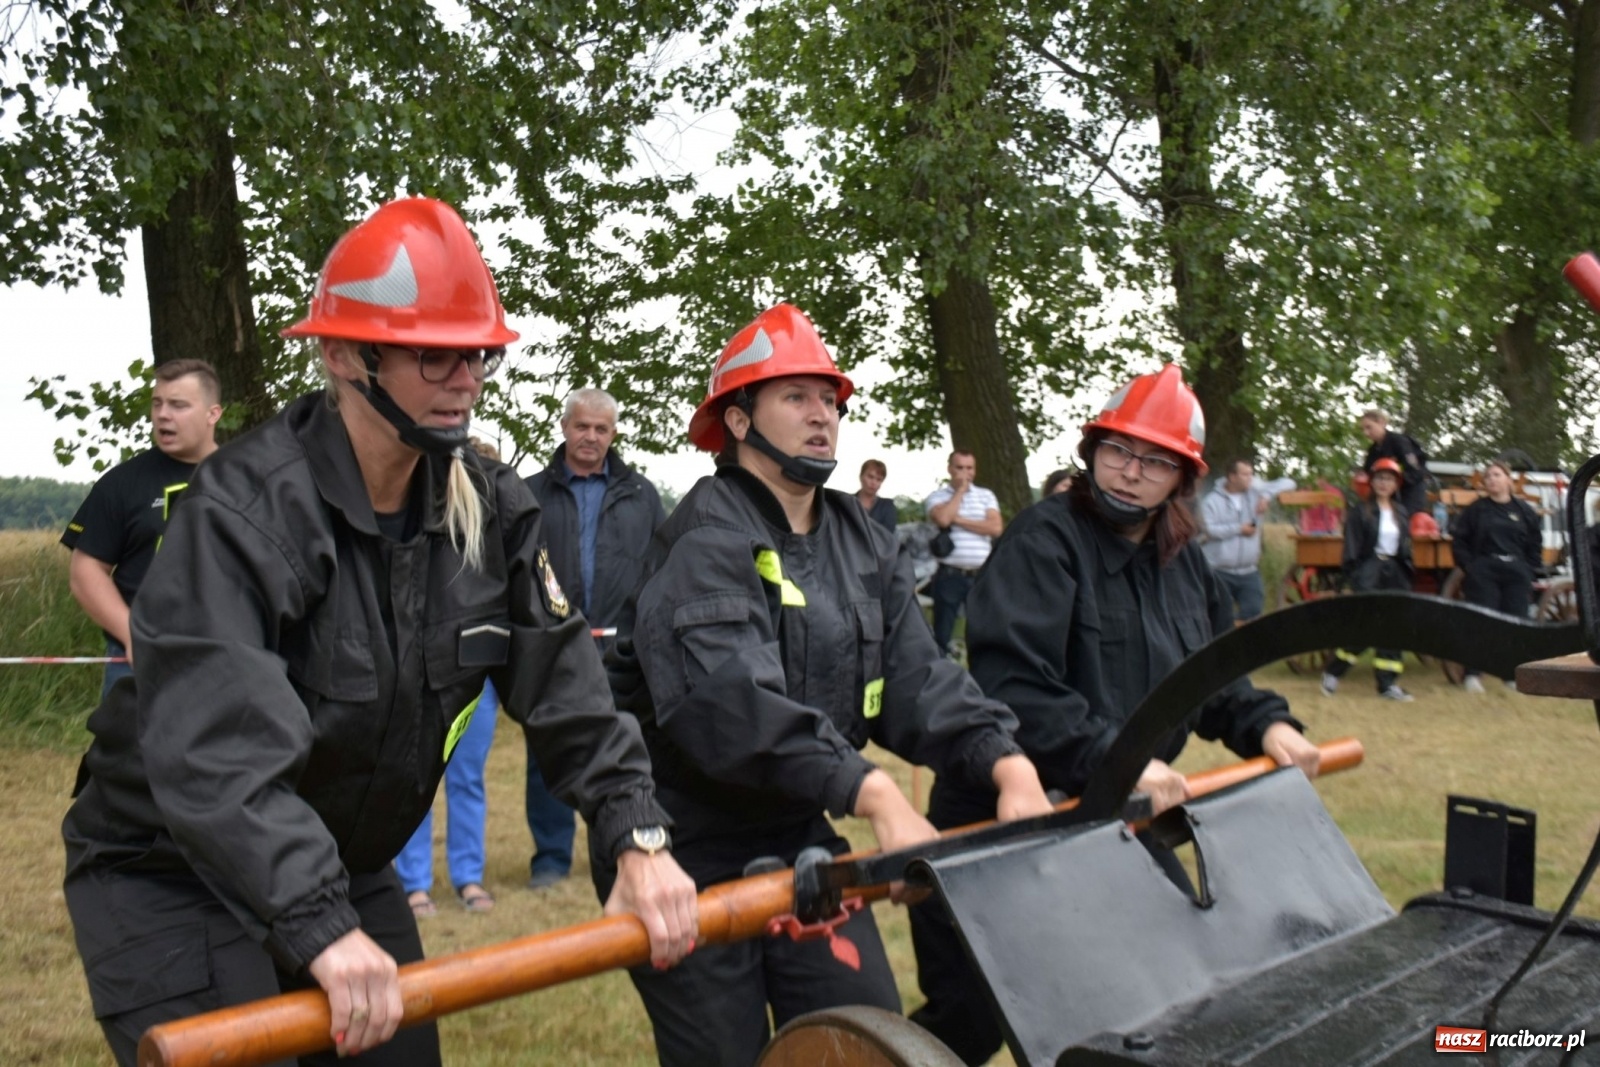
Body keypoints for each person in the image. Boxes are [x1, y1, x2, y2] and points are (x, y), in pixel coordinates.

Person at [60, 197, 697, 1067]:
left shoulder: (494, 506)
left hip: (337, 858)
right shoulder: (244, 514)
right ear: (343, 354)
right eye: (434, 355)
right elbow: (218, 750)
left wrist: (637, 834)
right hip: (173, 867)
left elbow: (565, 687)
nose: (465, 378)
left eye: (477, 354)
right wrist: (319, 923)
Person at [603, 303, 1053, 1067]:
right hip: (683, 845)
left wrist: (1006, 762)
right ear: (738, 421)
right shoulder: (706, 536)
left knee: (862, 1041)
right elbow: (733, 707)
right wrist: (876, 793)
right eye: (796, 397)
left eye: (831, 400)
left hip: (798, 829)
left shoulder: (861, 538)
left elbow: (918, 677)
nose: (823, 416)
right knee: (725, 1053)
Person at [909, 364, 1321, 1066]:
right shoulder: (1043, 542)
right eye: (1118, 451)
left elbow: (1214, 677)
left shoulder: (1186, 564)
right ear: (1092, 450)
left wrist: (1269, 723)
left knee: (1157, 995)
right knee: (970, 1021)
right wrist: (1120, 758)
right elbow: (1016, 688)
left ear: (1183, 478)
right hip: (1003, 825)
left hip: (1119, 819)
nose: (1130, 472)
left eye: (1154, 461)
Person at [523, 387, 666, 889]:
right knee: (550, 753)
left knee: (630, 748)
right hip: (553, 645)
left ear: (613, 434)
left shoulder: (642, 494)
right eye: (582, 426)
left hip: (621, 647)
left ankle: (621, 845)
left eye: (601, 429)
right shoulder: (529, 493)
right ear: (564, 428)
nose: (590, 436)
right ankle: (550, 859)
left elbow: (661, 568)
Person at [60, 359, 222, 697]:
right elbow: (86, 572)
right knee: (132, 751)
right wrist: (133, 635)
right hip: (137, 663)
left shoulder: (248, 478)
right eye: (158, 403)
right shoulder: (122, 484)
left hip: (231, 658)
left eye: (178, 405)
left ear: (213, 414)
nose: (163, 414)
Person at [394, 437, 506, 918]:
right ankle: (413, 883)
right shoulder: (406, 526)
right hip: (414, 675)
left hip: (473, 677)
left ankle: (469, 878)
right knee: (413, 780)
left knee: (467, 779)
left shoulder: (490, 537)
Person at [1321, 457, 1416, 700]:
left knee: (1393, 629)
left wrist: (1406, 570)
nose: (1384, 484)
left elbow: (1405, 545)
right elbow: (1351, 549)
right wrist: (1354, 576)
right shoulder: (1360, 512)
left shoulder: (1401, 513)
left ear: (1396, 484)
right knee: (1366, 627)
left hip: (1394, 573)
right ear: (1372, 482)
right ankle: (1333, 672)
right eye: (1380, 479)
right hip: (1369, 571)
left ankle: (1387, 685)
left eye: (1389, 479)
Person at [1450, 458, 1542, 693]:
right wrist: (1471, 567)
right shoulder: (1476, 509)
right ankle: (1472, 674)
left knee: (1515, 622)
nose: (1491, 479)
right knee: (1481, 621)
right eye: (1488, 476)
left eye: (1496, 475)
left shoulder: (1524, 511)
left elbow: (1534, 542)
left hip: (1516, 571)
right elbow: (1460, 541)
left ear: (1508, 480)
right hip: (1484, 569)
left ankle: (1510, 674)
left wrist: (1529, 568)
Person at [923, 451, 1003, 657]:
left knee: (984, 629)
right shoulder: (937, 496)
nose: (965, 473)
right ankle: (941, 677)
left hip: (980, 575)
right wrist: (959, 492)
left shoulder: (986, 495)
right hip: (949, 575)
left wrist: (958, 520)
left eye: (969, 468)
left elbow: (995, 528)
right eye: (960, 468)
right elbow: (942, 519)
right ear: (950, 469)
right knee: (943, 632)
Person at [1200, 458, 1296, 624]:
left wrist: (1266, 496)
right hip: (1219, 572)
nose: (1250, 478)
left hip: (1249, 571)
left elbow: (1289, 483)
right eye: (1245, 474)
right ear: (1232, 476)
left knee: (1253, 612)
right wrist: (1239, 529)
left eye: (1251, 474)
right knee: (1220, 617)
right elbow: (1208, 529)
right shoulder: (1212, 501)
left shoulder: (1255, 492)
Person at [1360, 408, 1429, 515]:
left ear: (1381, 422)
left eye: (1369, 427)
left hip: (1410, 495)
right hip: (1387, 497)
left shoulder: (1399, 442)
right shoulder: (1373, 451)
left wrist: (1395, 477)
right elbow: (1368, 475)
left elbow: (1415, 471)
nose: (1366, 433)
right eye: (1363, 429)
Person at [856, 458, 897, 532]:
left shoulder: (887, 506)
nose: (873, 483)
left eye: (879, 479)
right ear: (861, 476)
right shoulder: (847, 502)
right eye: (870, 477)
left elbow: (888, 535)